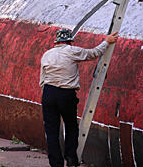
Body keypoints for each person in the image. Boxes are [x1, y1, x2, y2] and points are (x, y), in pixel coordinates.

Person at [39, 28, 119, 167]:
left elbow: (42, 79)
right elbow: (93, 53)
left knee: (51, 131)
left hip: (48, 93)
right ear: (69, 41)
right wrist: (106, 42)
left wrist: (48, 93)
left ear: (56, 42)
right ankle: (70, 158)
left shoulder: (47, 54)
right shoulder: (72, 50)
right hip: (66, 94)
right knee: (71, 126)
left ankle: (56, 164)